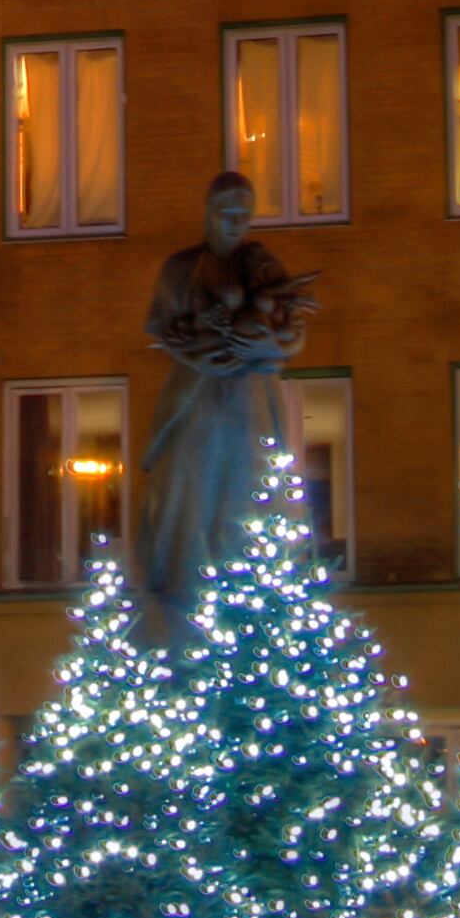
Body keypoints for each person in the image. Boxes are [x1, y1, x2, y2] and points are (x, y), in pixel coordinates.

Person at [134, 167, 317, 629]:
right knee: (187, 494)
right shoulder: (181, 268)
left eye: (244, 213)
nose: (236, 222)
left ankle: (250, 607)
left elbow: (291, 333)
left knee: (250, 494)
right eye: (226, 212)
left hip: (251, 397)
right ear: (208, 212)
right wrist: (203, 351)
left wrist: (266, 346)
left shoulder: (263, 267)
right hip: (196, 395)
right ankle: (183, 599)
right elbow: (162, 329)